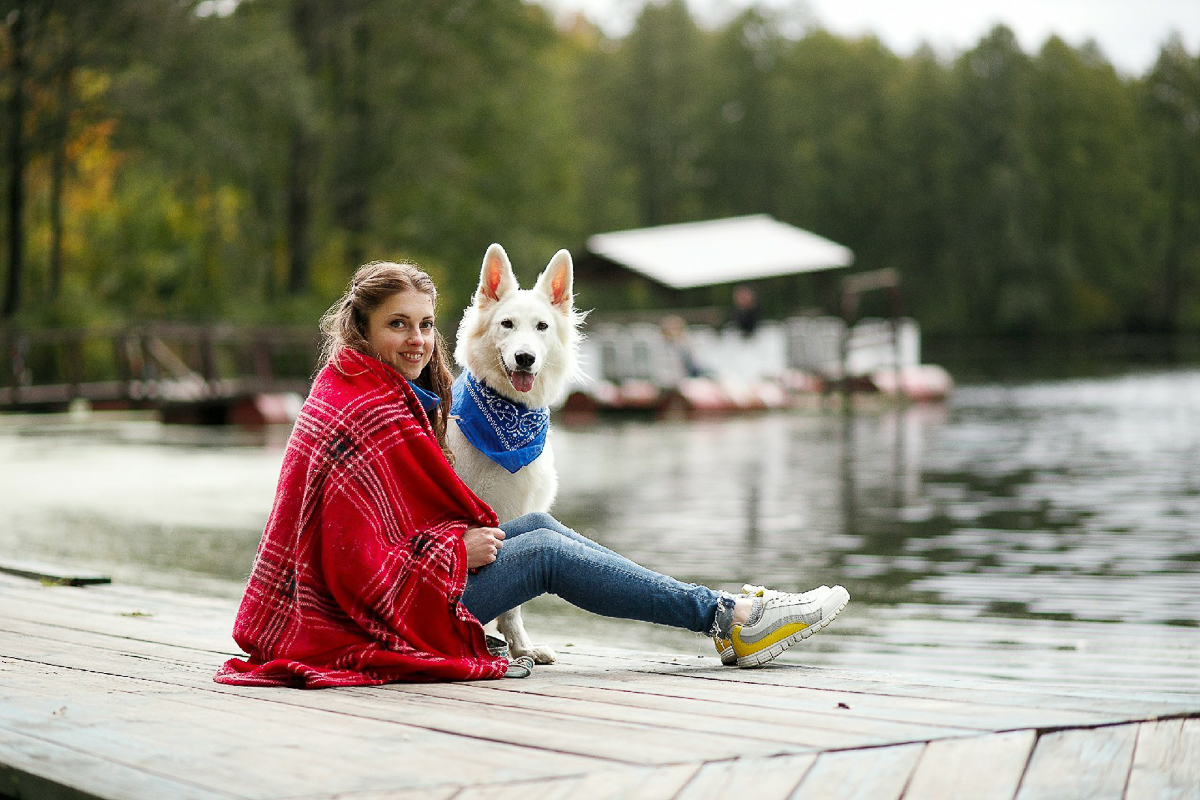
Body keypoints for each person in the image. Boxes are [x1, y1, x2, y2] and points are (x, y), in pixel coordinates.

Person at [215, 261, 848, 688]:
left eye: (425, 324)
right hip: (375, 613)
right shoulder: (362, 407)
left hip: (404, 589)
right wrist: (452, 544)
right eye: (397, 325)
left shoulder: (368, 389)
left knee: (539, 522)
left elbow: (392, 522)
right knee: (542, 550)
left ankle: (728, 614)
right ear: (362, 329)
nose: (416, 340)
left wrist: (446, 542)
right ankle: (729, 620)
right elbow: (351, 556)